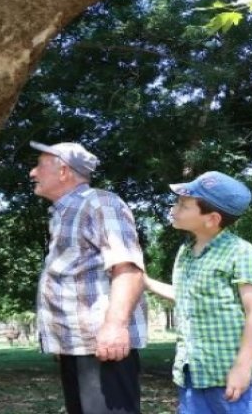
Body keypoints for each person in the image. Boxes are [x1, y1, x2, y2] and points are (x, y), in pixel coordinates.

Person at [144, 171, 252, 413]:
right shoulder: (186, 251)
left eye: (184, 205)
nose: (174, 209)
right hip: (195, 375)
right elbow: (187, 297)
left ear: (212, 219)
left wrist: (242, 368)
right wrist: (145, 281)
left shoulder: (243, 254)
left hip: (240, 380)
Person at [29, 141, 147, 414]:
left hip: (104, 346)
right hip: (77, 346)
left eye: (39, 165)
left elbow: (127, 268)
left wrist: (115, 326)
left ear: (63, 171)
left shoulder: (100, 203)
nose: (32, 172)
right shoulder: (64, 212)